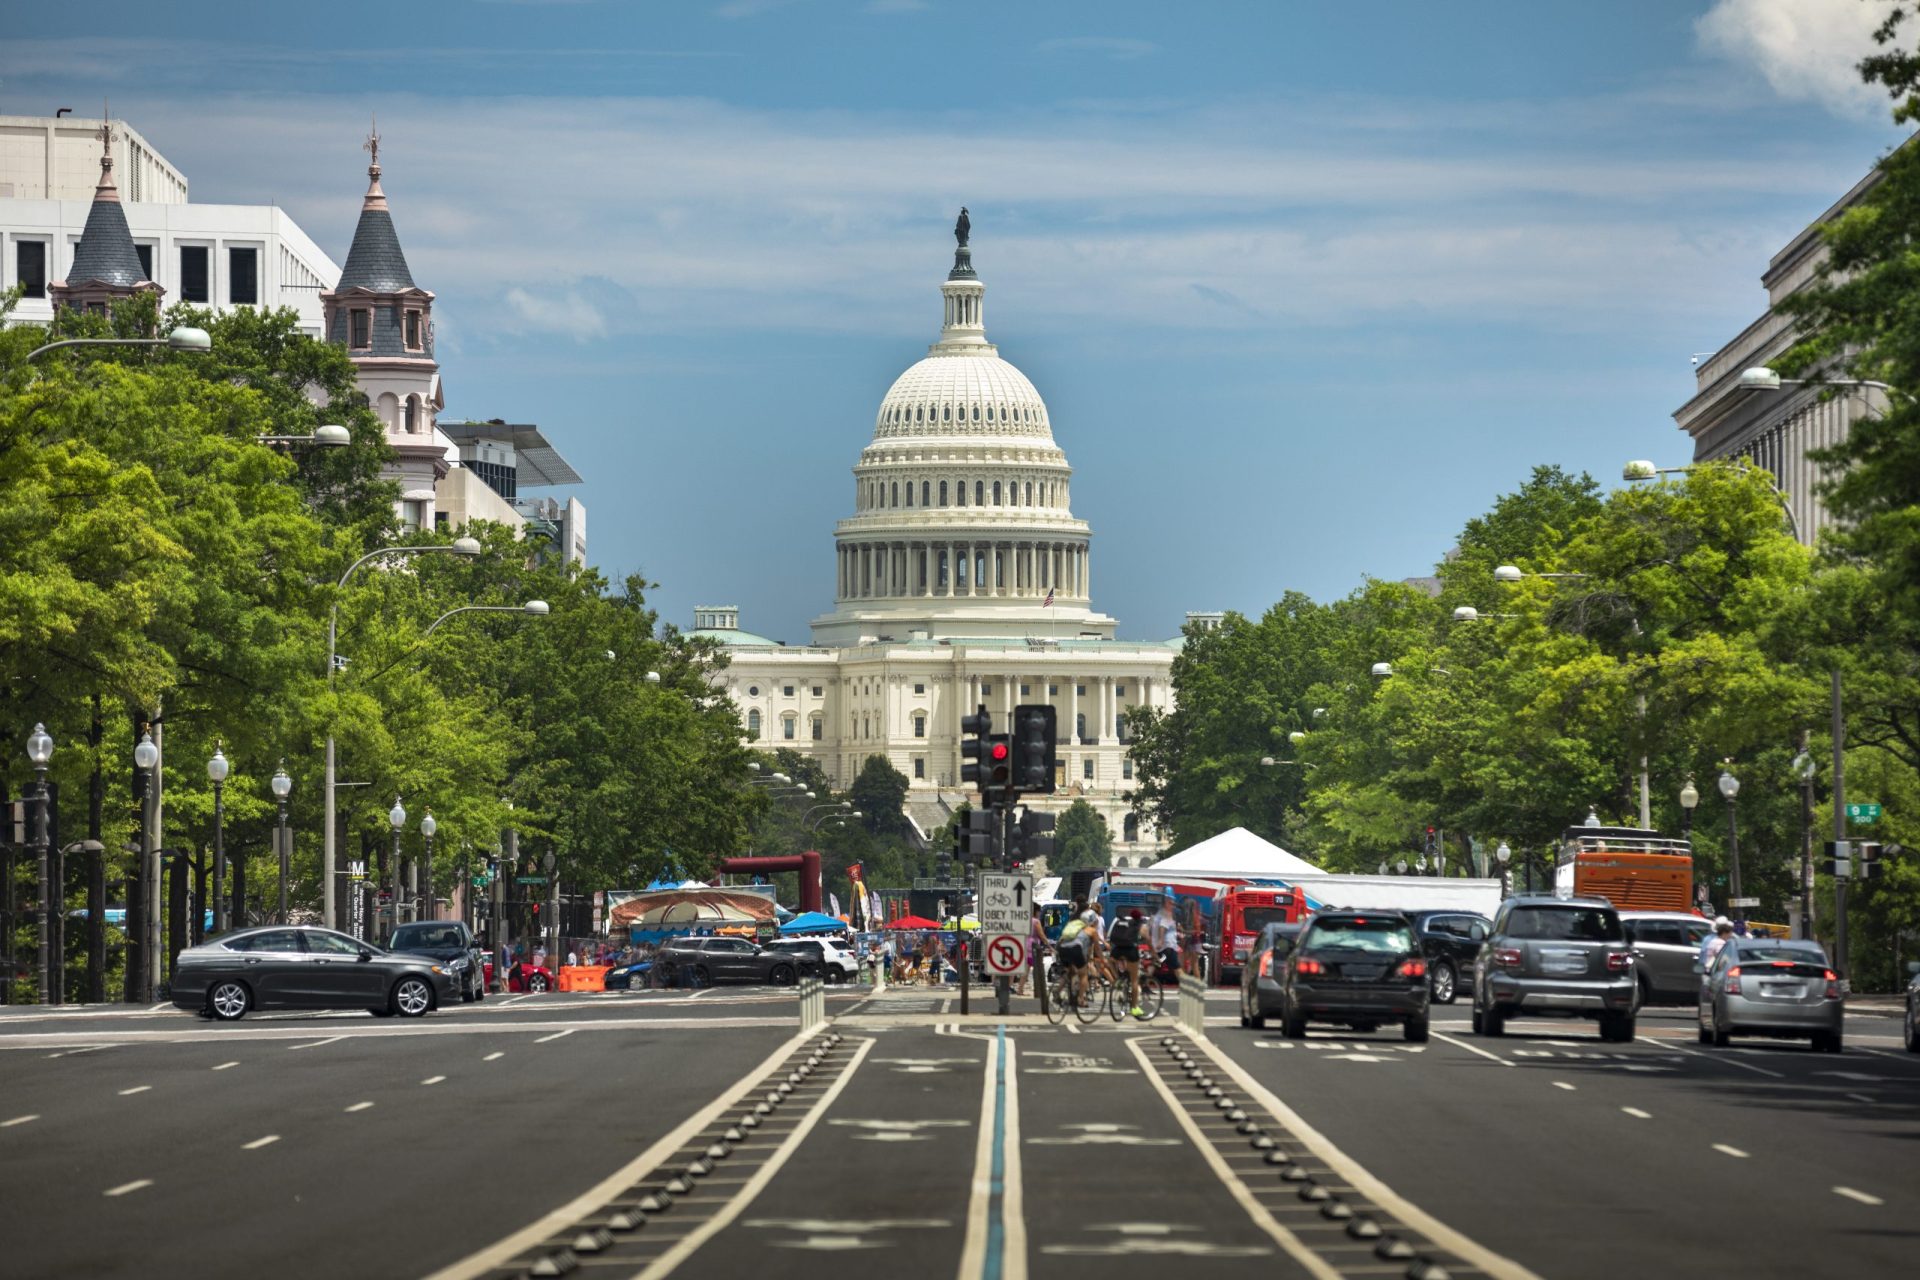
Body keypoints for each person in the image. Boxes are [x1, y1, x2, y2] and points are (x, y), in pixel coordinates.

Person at [1056, 899, 1093, 1007]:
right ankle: (1081, 999)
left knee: (1069, 972)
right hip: (1075, 948)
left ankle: (1057, 991)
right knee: (1083, 974)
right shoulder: (1084, 922)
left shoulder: (1072, 919)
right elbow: (1085, 940)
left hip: (1062, 947)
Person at [1109, 907, 1145, 1017]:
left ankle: (1117, 979)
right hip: (1130, 950)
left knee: (1110, 962)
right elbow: (1146, 938)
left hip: (1118, 949)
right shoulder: (1139, 924)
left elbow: (1111, 936)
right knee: (1134, 980)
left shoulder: (1122, 922)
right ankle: (1134, 1008)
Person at [1149, 898, 1180, 985]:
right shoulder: (1166, 914)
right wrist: (1161, 940)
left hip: (1160, 947)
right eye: (1171, 904)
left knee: (1155, 963)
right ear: (1166, 904)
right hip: (1168, 946)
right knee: (1177, 967)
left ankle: (1145, 983)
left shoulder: (1157, 916)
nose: (1173, 906)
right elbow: (1162, 927)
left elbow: (1152, 930)